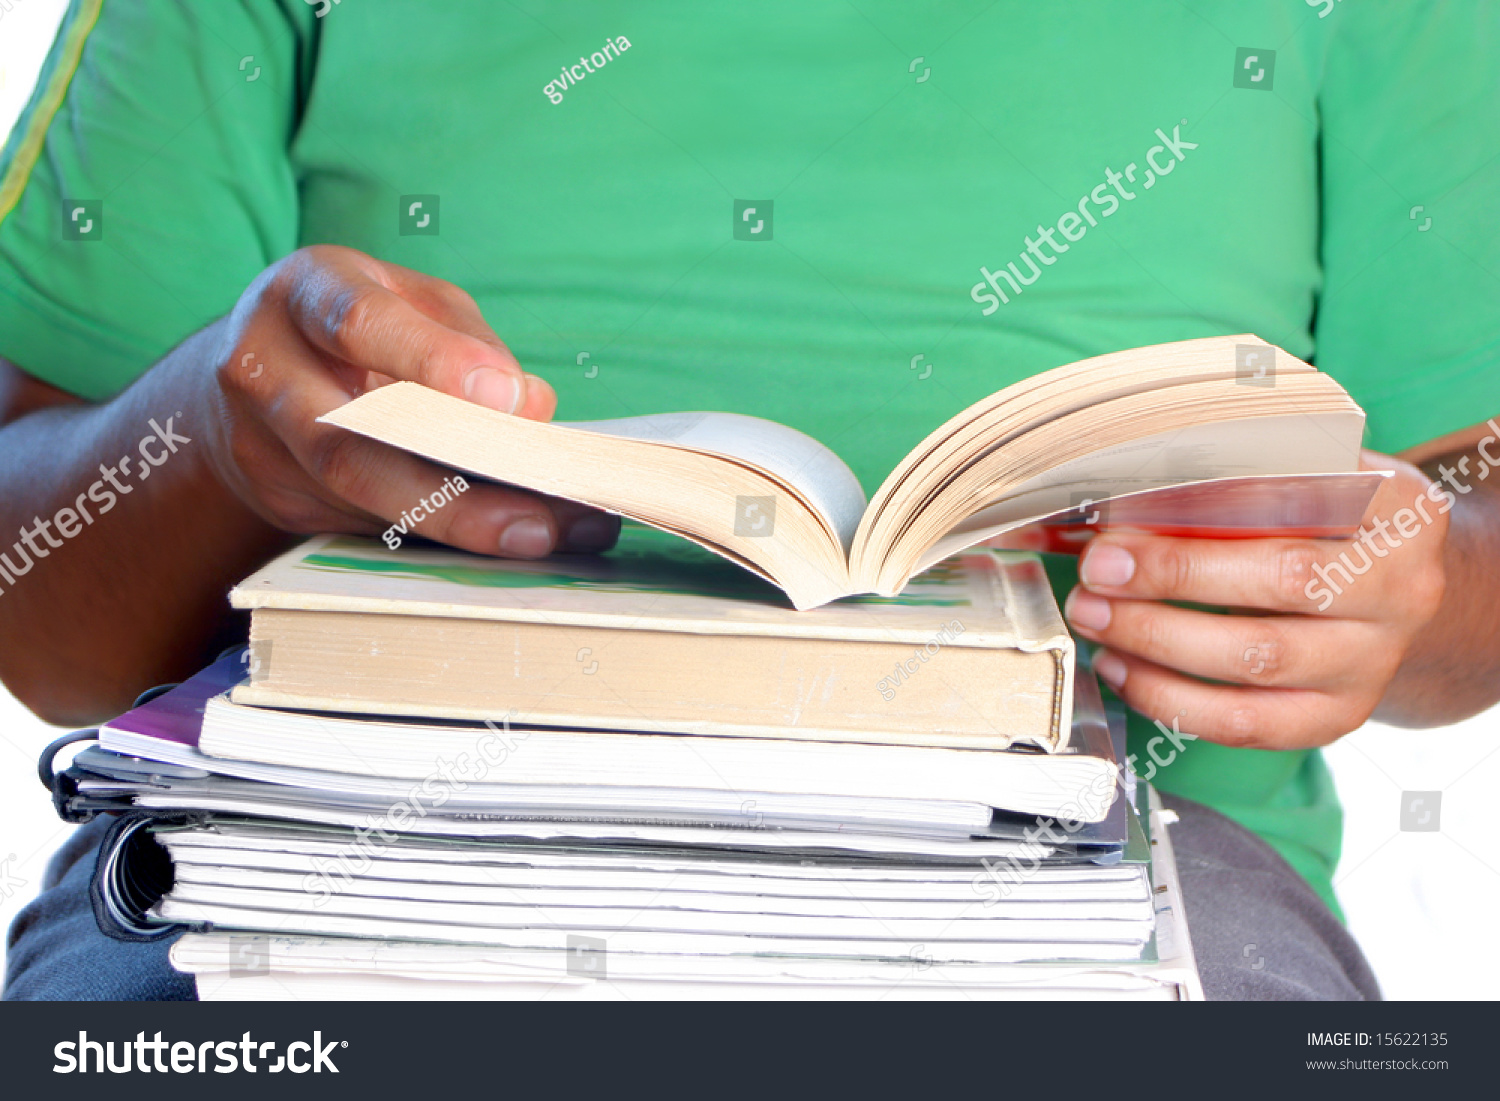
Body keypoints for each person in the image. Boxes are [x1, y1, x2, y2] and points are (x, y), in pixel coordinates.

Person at [2, 2, 1496, 1000]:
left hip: (1130, 863)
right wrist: (213, 430)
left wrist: (1391, 581)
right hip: (313, 833)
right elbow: (38, 608)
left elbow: (1476, 524)